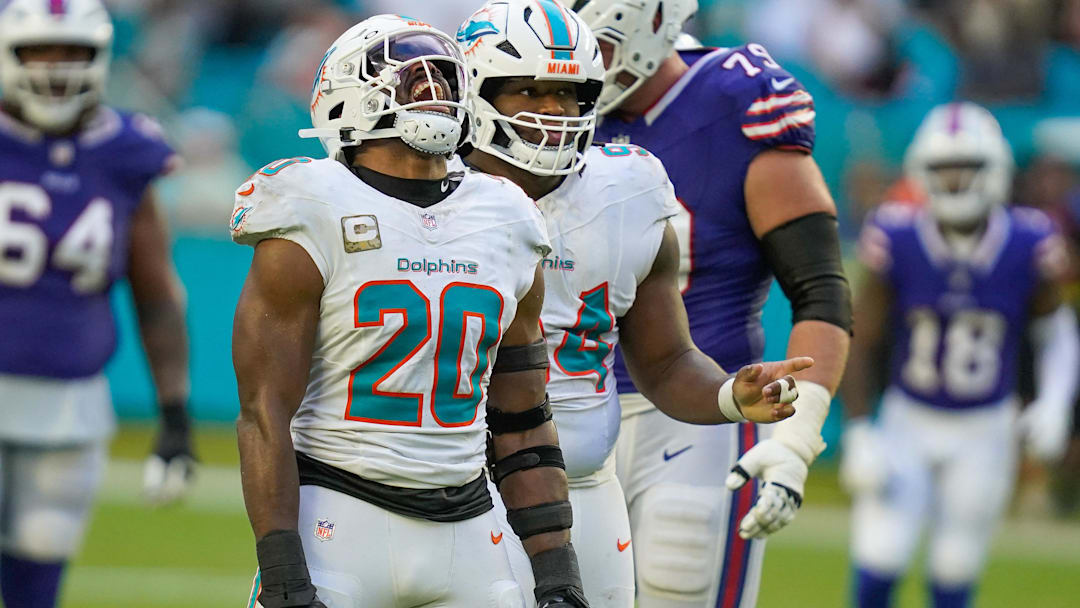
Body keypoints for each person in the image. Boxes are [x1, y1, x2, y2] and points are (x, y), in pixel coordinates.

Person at [457, 1, 813, 606]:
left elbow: (668, 362)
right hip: (458, 491)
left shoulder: (629, 193)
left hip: (584, 489)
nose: (553, 111)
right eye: (529, 90)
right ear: (476, 92)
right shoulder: (422, 197)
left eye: (570, 94)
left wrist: (731, 395)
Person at [232, 15, 589, 608]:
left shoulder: (506, 214)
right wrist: (283, 573)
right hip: (340, 517)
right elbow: (263, 411)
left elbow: (523, 417)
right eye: (415, 81)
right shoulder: (311, 204)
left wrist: (557, 572)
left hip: (471, 525)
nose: (437, 94)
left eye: (447, 81)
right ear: (349, 92)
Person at [573, 1, 854, 606]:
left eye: (594, 49)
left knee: (681, 585)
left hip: (698, 418)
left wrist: (797, 437)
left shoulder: (735, 102)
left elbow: (820, 289)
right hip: (559, 410)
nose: (576, 74)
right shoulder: (530, 101)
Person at [840, 102, 1079, 608]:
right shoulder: (897, 234)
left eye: (965, 170)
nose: (954, 182)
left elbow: (1055, 330)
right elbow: (862, 338)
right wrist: (861, 428)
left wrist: (1055, 401)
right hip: (910, 418)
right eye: (943, 170)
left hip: (986, 427)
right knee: (880, 556)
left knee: (955, 568)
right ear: (921, 173)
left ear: (993, 172)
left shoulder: (1028, 239)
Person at [0, 1, 195, 606]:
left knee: (39, 578)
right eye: (40, 50)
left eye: (72, 51)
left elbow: (156, 293)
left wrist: (174, 415)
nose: (55, 68)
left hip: (70, 402)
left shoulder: (125, 152)